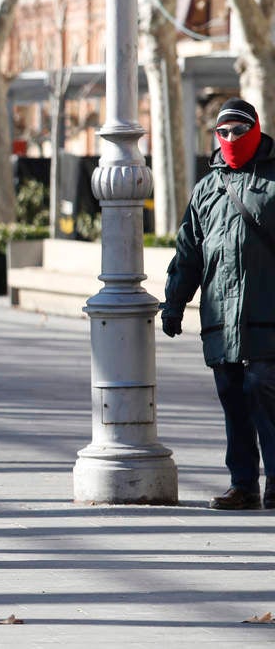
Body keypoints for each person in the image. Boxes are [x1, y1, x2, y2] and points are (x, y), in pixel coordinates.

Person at [162, 98, 275, 511]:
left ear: (257, 130)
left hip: (267, 311)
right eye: (223, 131)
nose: (231, 138)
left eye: (239, 130)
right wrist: (174, 302)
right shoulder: (207, 188)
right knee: (234, 399)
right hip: (221, 318)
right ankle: (243, 485)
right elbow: (188, 252)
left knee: (262, 387)